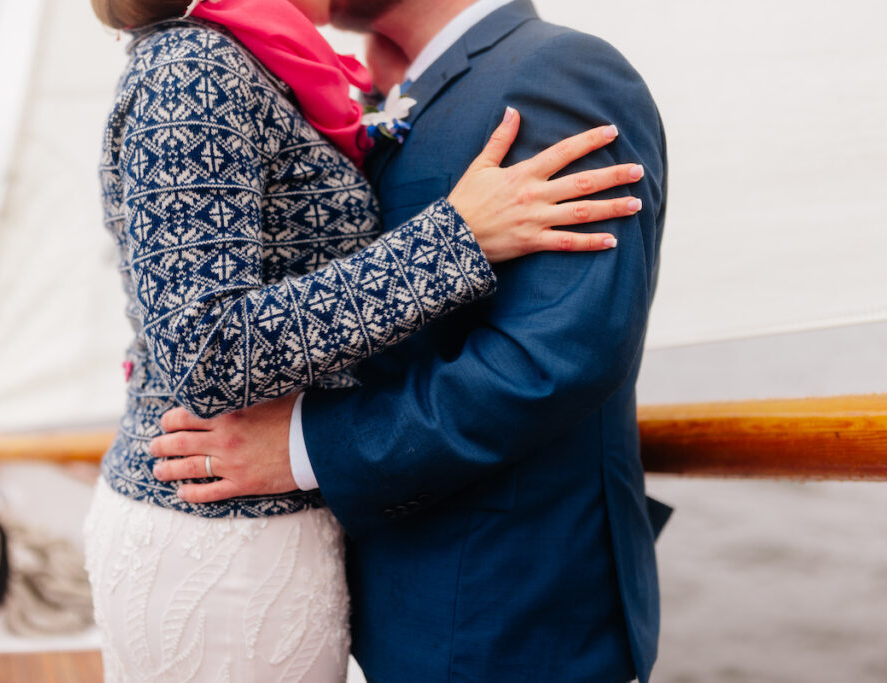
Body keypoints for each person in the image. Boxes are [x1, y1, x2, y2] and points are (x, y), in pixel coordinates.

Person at [82, 0, 648, 680]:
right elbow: (202, 345)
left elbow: (559, 357)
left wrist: (305, 448)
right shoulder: (195, 66)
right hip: (229, 532)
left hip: (479, 593)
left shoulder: (552, 73)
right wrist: (454, 239)